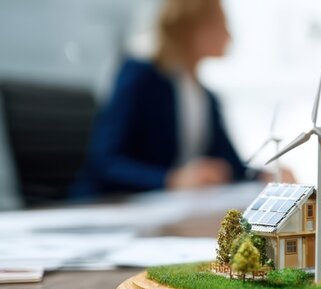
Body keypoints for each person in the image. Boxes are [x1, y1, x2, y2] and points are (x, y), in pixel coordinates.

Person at [72, 0, 290, 198]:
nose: (229, 35)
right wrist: (172, 179)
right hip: (109, 207)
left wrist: (266, 176)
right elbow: (105, 163)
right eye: (221, 24)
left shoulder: (204, 96)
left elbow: (227, 166)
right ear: (192, 27)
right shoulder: (140, 76)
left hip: (169, 210)